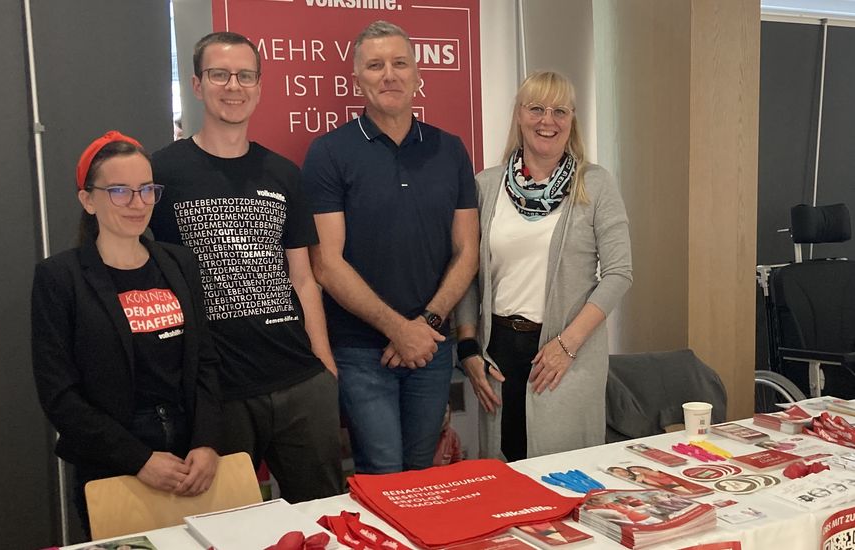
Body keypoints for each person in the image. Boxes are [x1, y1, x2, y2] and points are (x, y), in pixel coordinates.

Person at [149, 31, 343, 501]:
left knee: (322, 514)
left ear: (259, 86)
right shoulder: (161, 173)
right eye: (219, 74)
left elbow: (303, 277)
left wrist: (324, 368)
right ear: (197, 85)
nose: (233, 86)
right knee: (229, 522)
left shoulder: (283, 173)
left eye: (245, 76)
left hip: (299, 380)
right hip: (217, 390)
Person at [302, 20, 479, 473]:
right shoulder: (329, 153)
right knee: (381, 470)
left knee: (423, 470)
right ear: (357, 78)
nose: (389, 75)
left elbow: (467, 250)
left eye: (400, 63)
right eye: (375, 65)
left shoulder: (450, 150)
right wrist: (399, 330)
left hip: (432, 345)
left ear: (417, 74)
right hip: (361, 349)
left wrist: (426, 324)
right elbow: (326, 264)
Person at [31, 131, 225, 538]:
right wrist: (139, 459)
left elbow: (205, 361)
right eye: (119, 191)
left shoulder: (179, 262)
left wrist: (207, 442)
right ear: (88, 200)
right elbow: (59, 395)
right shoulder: (60, 278)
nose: (138, 204)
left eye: (147, 189)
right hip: (113, 463)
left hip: (190, 459)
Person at [455, 71, 632, 461]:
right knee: (505, 469)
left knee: (564, 472)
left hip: (567, 354)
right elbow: (467, 273)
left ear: (572, 120)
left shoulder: (595, 184)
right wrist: (468, 349)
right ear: (519, 115)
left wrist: (566, 345)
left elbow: (619, 273)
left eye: (559, 111)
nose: (547, 120)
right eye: (536, 108)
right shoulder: (486, 185)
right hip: (498, 353)